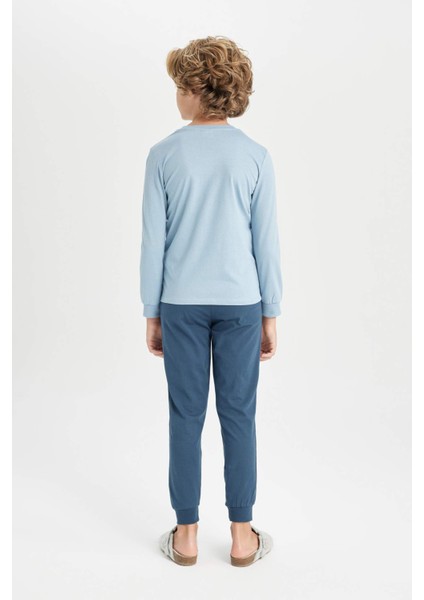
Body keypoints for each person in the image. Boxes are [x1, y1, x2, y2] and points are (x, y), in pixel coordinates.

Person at [140, 36, 282, 567]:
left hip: (179, 304)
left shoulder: (163, 155)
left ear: (199, 90)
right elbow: (265, 242)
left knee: (185, 415)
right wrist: (271, 312)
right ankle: (243, 537)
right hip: (243, 304)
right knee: (239, 415)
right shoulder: (255, 156)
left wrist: (151, 311)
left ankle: (186, 535)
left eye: (181, 86)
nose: (176, 95)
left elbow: (153, 242)